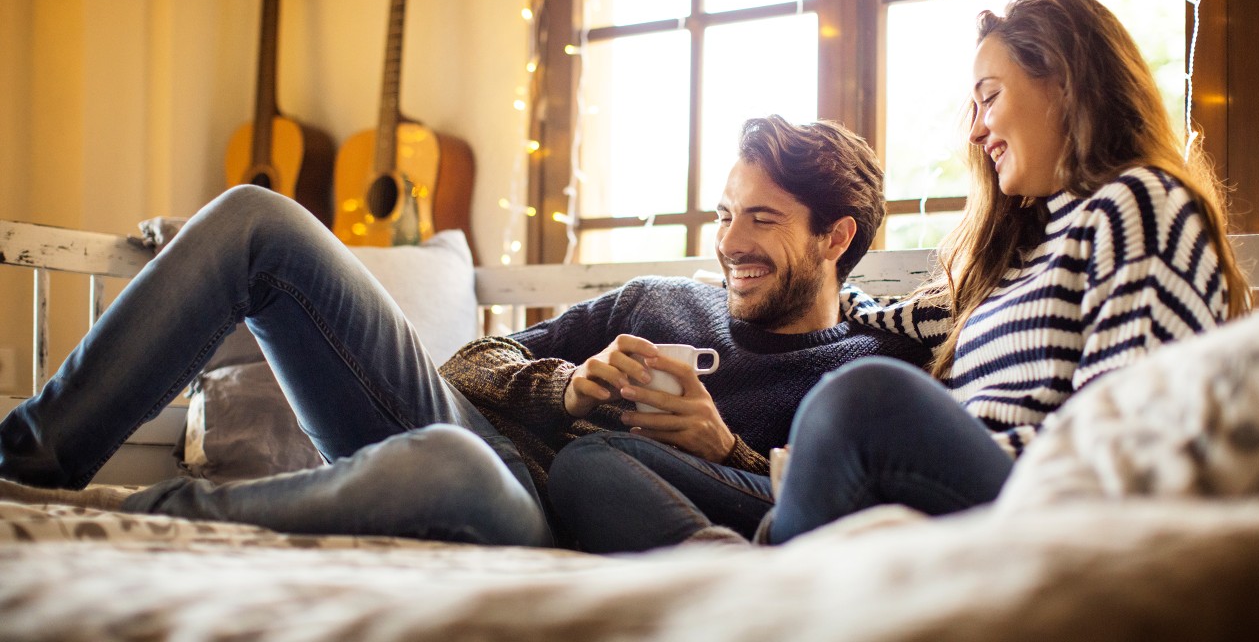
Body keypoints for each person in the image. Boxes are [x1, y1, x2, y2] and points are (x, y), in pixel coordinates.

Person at [0, 115, 926, 548]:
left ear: (835, 237)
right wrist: (564, 386)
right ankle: (26, 464)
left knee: (446, 465)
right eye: (724, 214)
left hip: (542, 515)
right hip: (474, 428)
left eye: (761, 221)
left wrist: (724, 444)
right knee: (257, 218)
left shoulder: (858, 373)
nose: (728, 243)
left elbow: (812, 525)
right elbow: (470, 362)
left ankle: (122, 519)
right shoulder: (656, 300)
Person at [757, 0, 1252, 545]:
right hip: (982, 497)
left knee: (860, 400)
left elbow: (1123, 441)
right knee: (640, 468)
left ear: (1064, 85)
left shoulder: (1136, 203)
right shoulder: (1024, 248)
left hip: (1055, 519)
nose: (975, 131)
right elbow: (895, 318)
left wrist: (920, 451)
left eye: (988, 98)